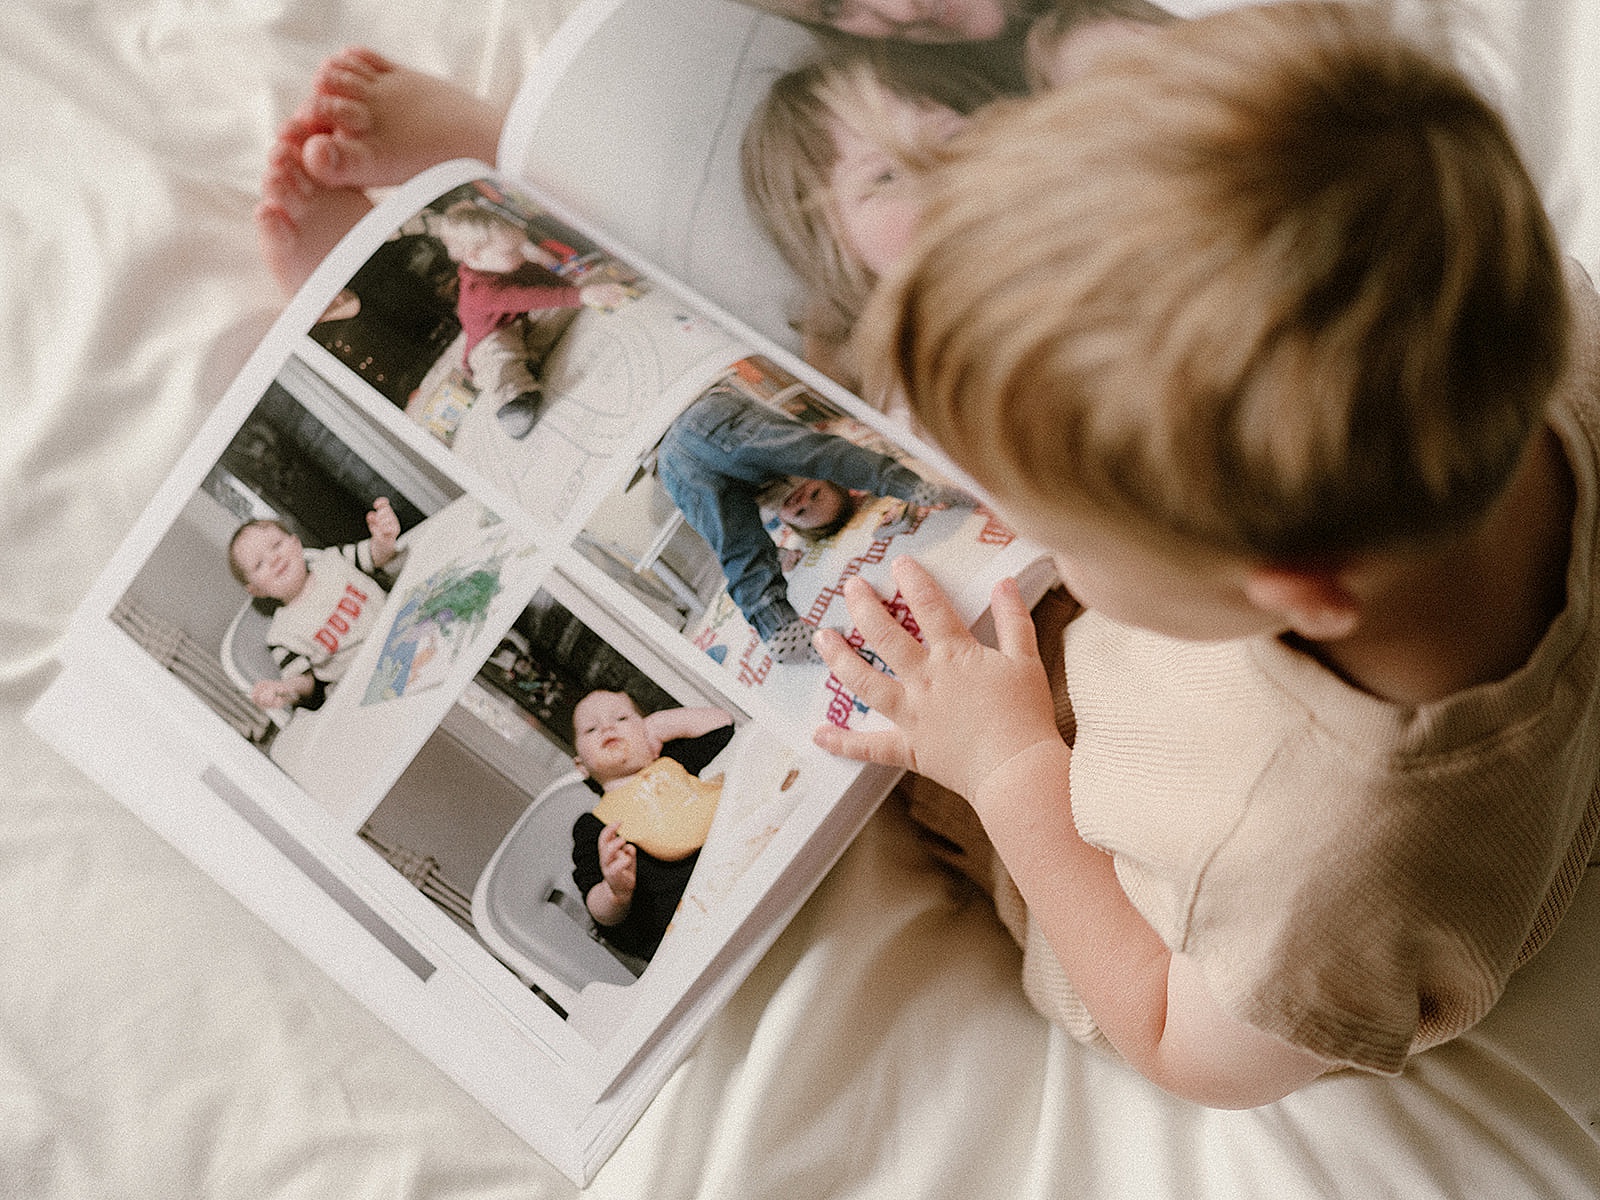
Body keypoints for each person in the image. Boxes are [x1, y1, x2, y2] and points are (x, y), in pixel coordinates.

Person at [812, 0, 1600, 1108]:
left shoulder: (1326, 868)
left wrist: (1007, 771)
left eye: (1066, 536)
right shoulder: (1534, 327)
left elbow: (1181, 1043)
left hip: (1104, 851)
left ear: (1291, 590)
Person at [655, 383, 975, 663]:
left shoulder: (760, 508)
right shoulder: (799, 463)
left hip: (671, 466)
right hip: (706, 418)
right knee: (817, 455)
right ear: (829, 482)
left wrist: (781, 556)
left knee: (737, 546)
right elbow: (833, 458)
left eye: (802, 513)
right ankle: (916, 487)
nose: (801, 502)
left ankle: (780, 633)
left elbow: (746, 547)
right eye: (816, 495)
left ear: (786, 521)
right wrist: (908, 489)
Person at [568, 689, 736, 960]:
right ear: (581, 766)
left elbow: (723, 724)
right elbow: (598, 909)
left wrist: (658, 726)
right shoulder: (594, 828)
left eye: (622, 718)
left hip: (745, 863)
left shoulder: (675, 760)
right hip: (690, 928)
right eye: (590, 729)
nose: (608, 727)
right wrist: (615, 892)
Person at [227, 497, 406, 710]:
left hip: (403, 630)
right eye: (259, 564)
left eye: (276, 545)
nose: (274, 559)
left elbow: (377, 555)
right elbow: (305, 683)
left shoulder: (334, 559)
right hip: (363, 685)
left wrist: (384, 538)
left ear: (296, 543)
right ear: (256, 589)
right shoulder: (281, 635)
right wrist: (284, 689)